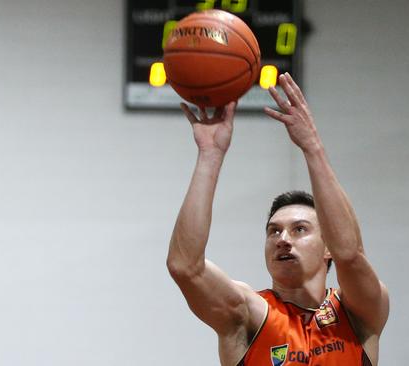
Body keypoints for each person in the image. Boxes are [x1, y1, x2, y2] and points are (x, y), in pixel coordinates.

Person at [166, 73, 389, 366]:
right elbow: (185, 266)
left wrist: (313, 148)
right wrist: (210, 154)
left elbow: (350, 253)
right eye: (274, 231)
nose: (283, 239)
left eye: (300, 229)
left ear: (327, 247)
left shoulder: (359, 310)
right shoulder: (248, 314)